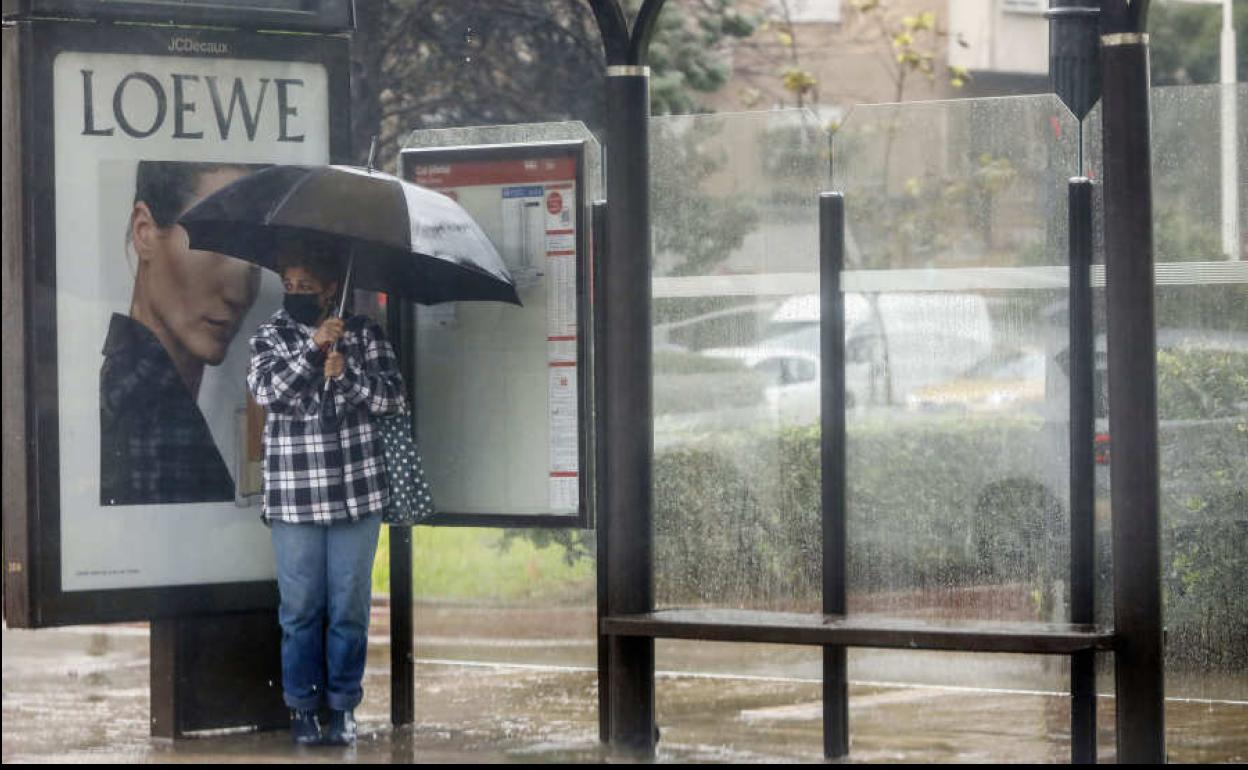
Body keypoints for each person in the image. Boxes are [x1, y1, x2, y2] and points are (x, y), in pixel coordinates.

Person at [246, 243, 405, 747]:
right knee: (299, 609)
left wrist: (349, 376)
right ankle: (302, 709)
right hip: (295, 496)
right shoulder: (270, 335)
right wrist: (314, 348)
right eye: (288, 287)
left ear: (331, 289)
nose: (294, 295)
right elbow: (268, 392)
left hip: (357, 495)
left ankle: (342, 707)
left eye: (305, 288)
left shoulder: (364, 334)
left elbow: (394, 398)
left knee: (349, 608)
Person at [100, 161, 263, 506]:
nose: (239, 292)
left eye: (256, 253)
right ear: (144, 232)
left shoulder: (142, 394)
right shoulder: (149, 414)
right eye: (216, 242)